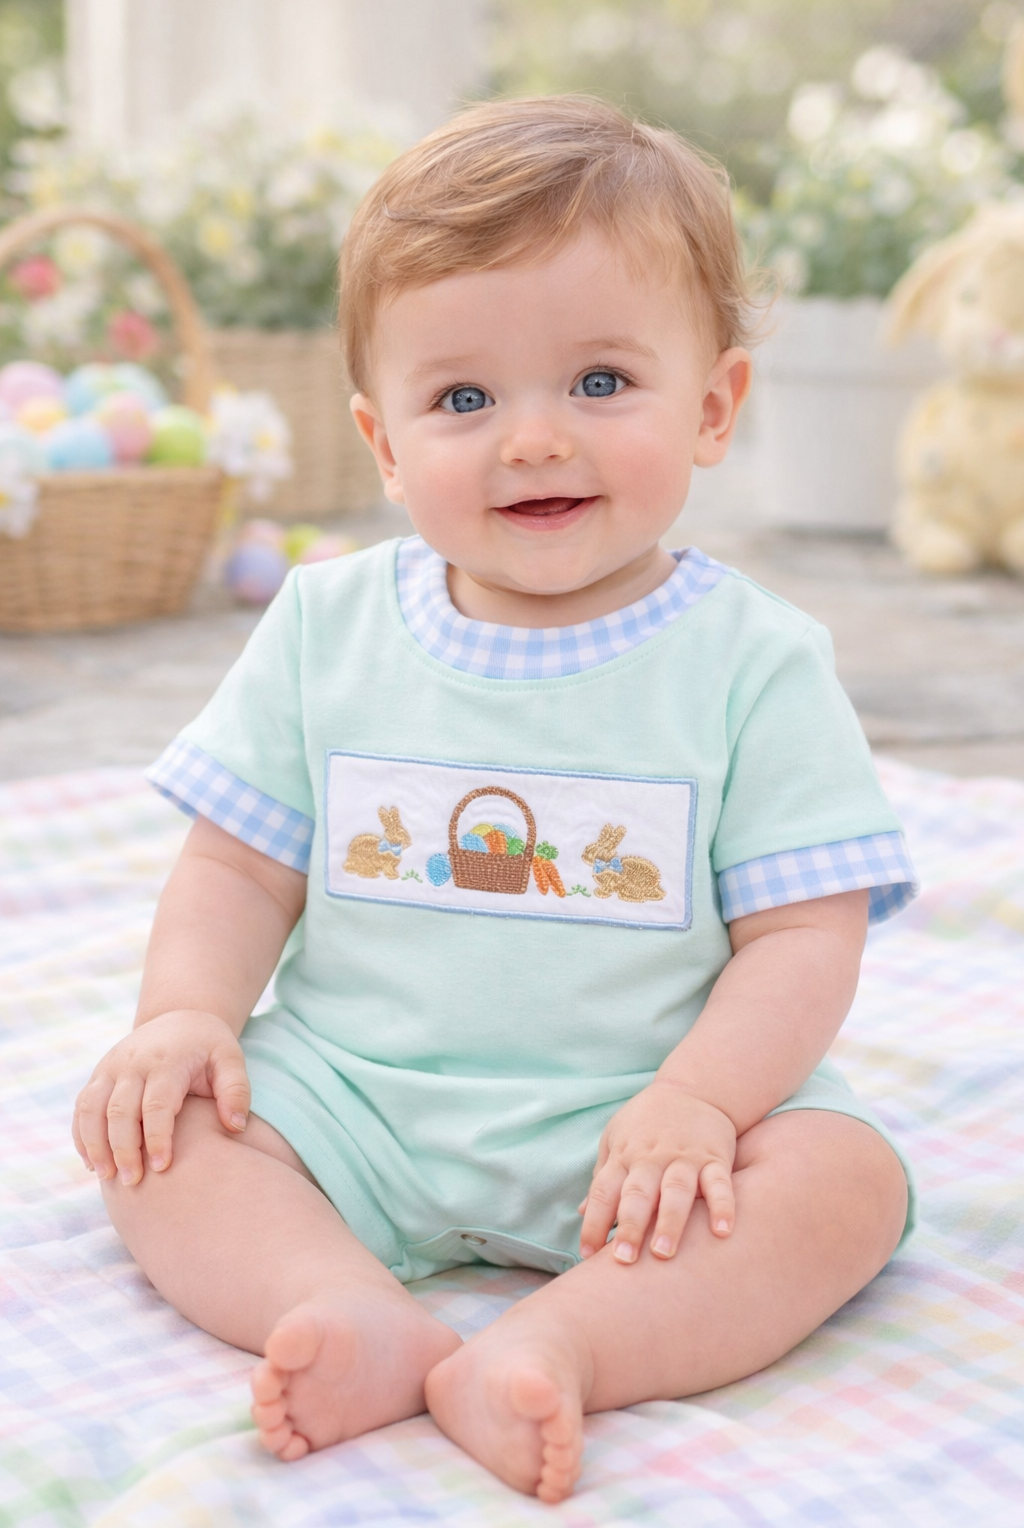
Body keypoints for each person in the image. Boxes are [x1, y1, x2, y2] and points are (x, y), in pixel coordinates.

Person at [72, 97, 918, 1505]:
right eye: (463, 400)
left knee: (845, 1187)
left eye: (599, 382)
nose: (532, 440)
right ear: (384, 442)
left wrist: (701, 1104)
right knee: (160, 1141)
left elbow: (804, 937)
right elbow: (236, 871)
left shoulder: (752, 662)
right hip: (352, 1100)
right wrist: (186, 1017)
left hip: (647, 1121)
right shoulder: (324, 625)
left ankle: (563, 1343)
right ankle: (344, 1305)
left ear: (713, 406)